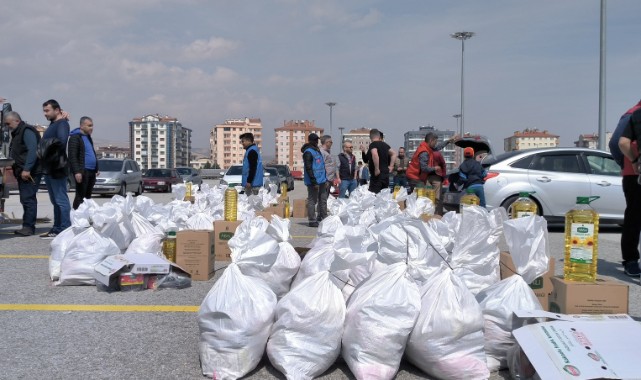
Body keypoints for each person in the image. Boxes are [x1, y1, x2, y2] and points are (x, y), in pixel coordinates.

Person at [4, 111, 41, 236]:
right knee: (26, 199)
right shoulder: (18, 132)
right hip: (22, 171)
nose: (7, 126)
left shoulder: (26, 131)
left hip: (29, 172)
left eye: (8, 123)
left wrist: (27, 169)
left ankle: (28, 227)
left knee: (28, 199)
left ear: (17, 121)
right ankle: (27, 226)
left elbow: (33, 150)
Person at [39, 99, 71, 239]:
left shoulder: (62, 124)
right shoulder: (54, 123)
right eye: (44, 111)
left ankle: (64, 228)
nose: (45, 113)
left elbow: (62, 142)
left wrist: (45, 148)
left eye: (47, 110)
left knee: (61, 200)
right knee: (55, 201)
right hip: (49, 168)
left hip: (57, 167)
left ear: (57, 110)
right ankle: (57, 228)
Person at [617, 106, 641, 277]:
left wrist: (632, 161)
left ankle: (631, 261)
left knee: (633, 217)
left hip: (634, 173)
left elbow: (620, 143)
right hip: (634, 173)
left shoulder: (634, 113)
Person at [68, 116, 99, 210]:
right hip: (82, 171)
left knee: (88, 196)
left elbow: (91, 152)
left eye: (92, 125)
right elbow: (72, 156)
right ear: (82, 126)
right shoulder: (75, 138)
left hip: (91, 171)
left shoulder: (88, 138)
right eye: (89, 125)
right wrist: (77, 172)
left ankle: (85, 217)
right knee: (80, 195)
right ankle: (76, 216)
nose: (91, 128)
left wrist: (96, 168)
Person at [301, 133, 327, 227]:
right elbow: (308, 168)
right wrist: (314, 181)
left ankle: (324, 218)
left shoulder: (317, 150)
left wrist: (325, 179)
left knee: (323, 200)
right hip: (314, 182)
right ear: (311, 141)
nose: (317, 141)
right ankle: (312, 220)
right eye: (315, 140)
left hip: (322, 180)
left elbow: (321, 166)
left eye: (317, 140)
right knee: (312, 201)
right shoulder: (308, 152)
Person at [361, 129, 396, 194]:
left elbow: (375, 154)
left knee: (374, 195)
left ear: (370, 137)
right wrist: (391, 166)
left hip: (377, 176)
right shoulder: (385, 145)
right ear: (379, 136)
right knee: (384, 196)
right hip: (385, 175)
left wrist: (377, 168)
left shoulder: (373, 145)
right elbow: (394, 153)